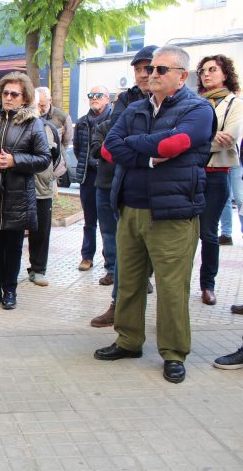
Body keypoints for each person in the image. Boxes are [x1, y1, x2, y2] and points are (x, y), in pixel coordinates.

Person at [95, 45, 214, 384]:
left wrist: (137, 145)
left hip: (172, 213)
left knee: (172, 287)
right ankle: (129, 340)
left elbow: (174, 145)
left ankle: (174, 353)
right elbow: (109, 148)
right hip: (130, 208)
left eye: (161, 70)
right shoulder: (134, 108)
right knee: (129, 282)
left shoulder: (199, 110)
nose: (152, 74)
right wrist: (147, 155)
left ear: (181, 76)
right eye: (149, 69)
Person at [0, 72, 51, 309]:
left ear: (24, 98)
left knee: (13, 246)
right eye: (5, 93)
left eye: (14, 94)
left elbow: (44, 159)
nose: (8, 97)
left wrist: (15, 161)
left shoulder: (33, 123)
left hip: (18, 195)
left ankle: (10, 291)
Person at [89, 45, 157, 327]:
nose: (143, 74)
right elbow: (114, 140)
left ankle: (164, 317)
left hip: (161, 191)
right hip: (119, 184)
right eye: (139, 69)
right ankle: (119, 306)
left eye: (150, 68)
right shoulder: (126, 100)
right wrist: (148, 149)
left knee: (158, 257)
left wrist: (137, 146)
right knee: (121, 249)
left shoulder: (179, 102)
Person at [196, 54, 242, 306]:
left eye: (212, 69)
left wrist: (195, 141)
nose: (206, 74)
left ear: (225, 73)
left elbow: (231, 137)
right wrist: (209, 138)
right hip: (190, 174)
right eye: (203, 70)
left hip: (216, 177)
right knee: (182, 232)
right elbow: (184, 135)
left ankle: (207, 285)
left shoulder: (235, 102)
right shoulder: (192, 101)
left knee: (208, 232)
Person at [27, 88, 64, 287]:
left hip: (42, 188)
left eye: (40, 104)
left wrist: (49, 178)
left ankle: (38, 269)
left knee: (41, 231)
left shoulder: (48, 128)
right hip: (19, 188)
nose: (38, 107)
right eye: (35, 104)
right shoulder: (16, 126)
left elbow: (57, 156)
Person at [74, 85, 112, 273]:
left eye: (98, 95)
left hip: (107, 175)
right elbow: (77, 148)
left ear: (107, 98)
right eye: (91, 95)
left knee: (108, 222)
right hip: (88, 176)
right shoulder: (82, 122)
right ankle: (87, 256)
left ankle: (110, 261)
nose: (94, 98)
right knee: (89, 220)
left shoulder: (115, 120)